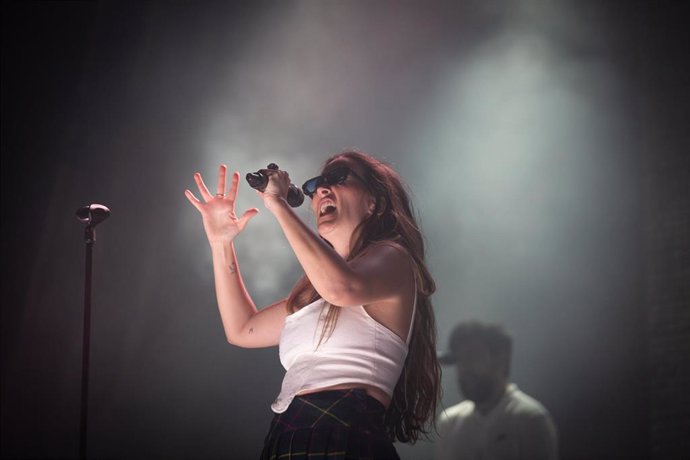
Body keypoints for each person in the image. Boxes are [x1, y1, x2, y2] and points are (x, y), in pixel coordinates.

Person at [185, 150, 440, 459]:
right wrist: (221, 244)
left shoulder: (394, 257)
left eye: (339, 178)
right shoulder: (316, 291)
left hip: (345, 432)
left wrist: (277, 204)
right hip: (289, 434)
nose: (320, 190)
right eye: (317, 184)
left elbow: (341, 287)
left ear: (374, 202)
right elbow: (243, 329)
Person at [436, 321, 558, 460]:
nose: (463, 368)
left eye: (472, 356)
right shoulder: (449, 423)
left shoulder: (530, 419)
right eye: (459, 359)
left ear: (501, 358)